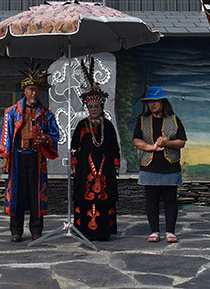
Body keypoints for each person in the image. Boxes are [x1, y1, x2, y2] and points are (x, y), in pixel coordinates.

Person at [0, 64, 60, 242]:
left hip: (36, 159)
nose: (34, 94)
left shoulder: (46, 114)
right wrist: (5, 159)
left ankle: (36, 229)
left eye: (37, 90)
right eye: (31, 89)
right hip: (17, 158)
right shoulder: (12, 113)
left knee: (36, 194)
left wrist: (45, 139)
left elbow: (56, 135)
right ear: (24, 90)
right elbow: (5, 137)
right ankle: (16, 231)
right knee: (17, 193)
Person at [70, 60, 121, 241]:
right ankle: (85, 230)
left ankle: (103, 232)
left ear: (101, 107)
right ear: (87, 107)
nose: (93, 109)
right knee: (86, 197)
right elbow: (74, 147)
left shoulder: (107, 125)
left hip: (105, 169)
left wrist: (115, 164)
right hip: (85, 169)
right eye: (90, 107)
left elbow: (114, 147)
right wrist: (74, 164)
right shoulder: (81, 125)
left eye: (96, 106)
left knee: (103, 198)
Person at [132, 86, 187, 243]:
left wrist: (167, 142)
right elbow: (137, 140)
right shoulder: (143, 120)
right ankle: (154, 231)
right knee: (151, 201)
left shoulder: (174, 120)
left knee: (170, 200)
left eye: (155, 101)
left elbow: (182, 142)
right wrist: (151, 147)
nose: (153, 105)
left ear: (162, 102)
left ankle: (170, 231)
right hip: (149, 165)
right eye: (150, 102)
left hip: (169, 166)